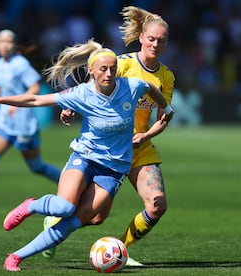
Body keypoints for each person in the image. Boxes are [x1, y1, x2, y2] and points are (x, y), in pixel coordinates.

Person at [0, 39, 174, 271]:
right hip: (85, 157)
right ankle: (32, 206)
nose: (109, 74)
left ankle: (16, 257)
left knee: (79, 220)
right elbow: (36, 99)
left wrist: (166, 109)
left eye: (113, 69)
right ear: (91, 71)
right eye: (103, 69)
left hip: (114, 170)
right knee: (65, 208)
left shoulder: (132, 86)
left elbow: (151, 88)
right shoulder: (81, 94)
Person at [56, 6, 175, 266]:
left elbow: (164, 118)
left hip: (139, 146)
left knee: (157, 205)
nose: (155, 44)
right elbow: (93, 86)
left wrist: (145, 136)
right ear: (142, 37)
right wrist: (69, 107)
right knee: (95, 217)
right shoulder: (122, 64)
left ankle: (121, 249)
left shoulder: (166, 77)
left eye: (161, 40)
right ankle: (54, 224)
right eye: (151, 39)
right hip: (109, 147)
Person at [0, 29, 61, 217]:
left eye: (8, 42)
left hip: (24, 125)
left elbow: (35, 86)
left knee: (36, 167)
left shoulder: (21, 64)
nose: (4, 45)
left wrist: (19, 103)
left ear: (15, 45)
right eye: (1, 41)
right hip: (3, 123)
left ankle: (72, 186)